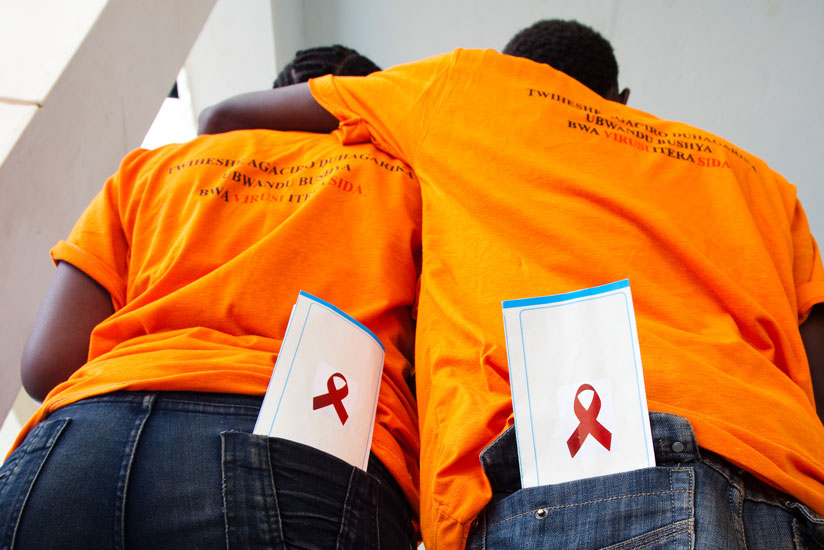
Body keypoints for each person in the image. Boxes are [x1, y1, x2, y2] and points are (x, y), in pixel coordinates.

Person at [198, 20, 824, 549]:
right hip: (790, 495)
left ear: (508, 69)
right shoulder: (756, 178)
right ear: (622, 98)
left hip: (582, 482)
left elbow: (227, 115)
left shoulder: (464, 87)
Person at [0, 45, 421, 549]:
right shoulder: (408, 182)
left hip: (72, 451)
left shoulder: (151, 168)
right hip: (304, 450)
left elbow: (47, 364)